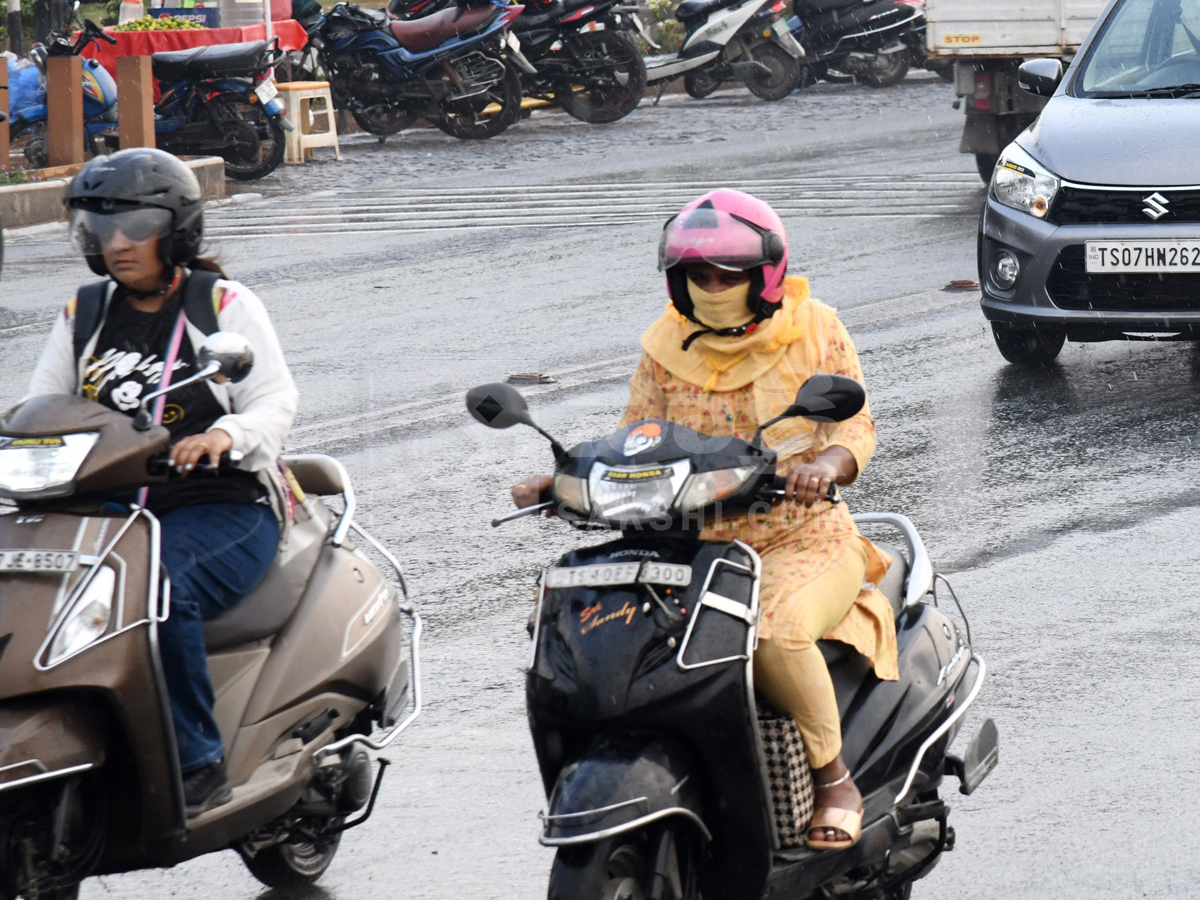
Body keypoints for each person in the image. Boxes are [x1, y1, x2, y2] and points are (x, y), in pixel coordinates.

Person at [512, 189, 898, 851]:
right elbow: (635, 438)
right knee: (577, 627)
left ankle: (834, 780)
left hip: (797, 538)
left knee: (773, 635)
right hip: (688, 547)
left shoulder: (814, 327)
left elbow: (854, 425)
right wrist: (564, 480)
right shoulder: (665, 344)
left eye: (728, 277)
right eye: (700, 277)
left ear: (764, 276)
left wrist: (826, 466)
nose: (714, 289)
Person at [24, 148, 298, 817]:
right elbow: (39, 409)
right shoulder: (84, 313)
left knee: (155, 589)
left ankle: (198, 761)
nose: (117, 243)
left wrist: (225, 435)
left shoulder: (222, 304)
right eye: (101, 227)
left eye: (136, 226)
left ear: (176, 230)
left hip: (219, 507)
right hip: (108, 513)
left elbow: (274, 401)